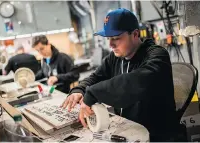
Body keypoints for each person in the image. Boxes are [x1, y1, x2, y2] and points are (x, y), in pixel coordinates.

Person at [61, 8, 185, 141]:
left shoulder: (157, 56)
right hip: (128, 128)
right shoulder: (114, 58)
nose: (111, 44)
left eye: (116, 38)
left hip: (156, 134)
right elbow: (96, 77)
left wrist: (92, 93)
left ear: (135, 34)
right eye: (108, 38)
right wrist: (80, 89)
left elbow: (135, 81)